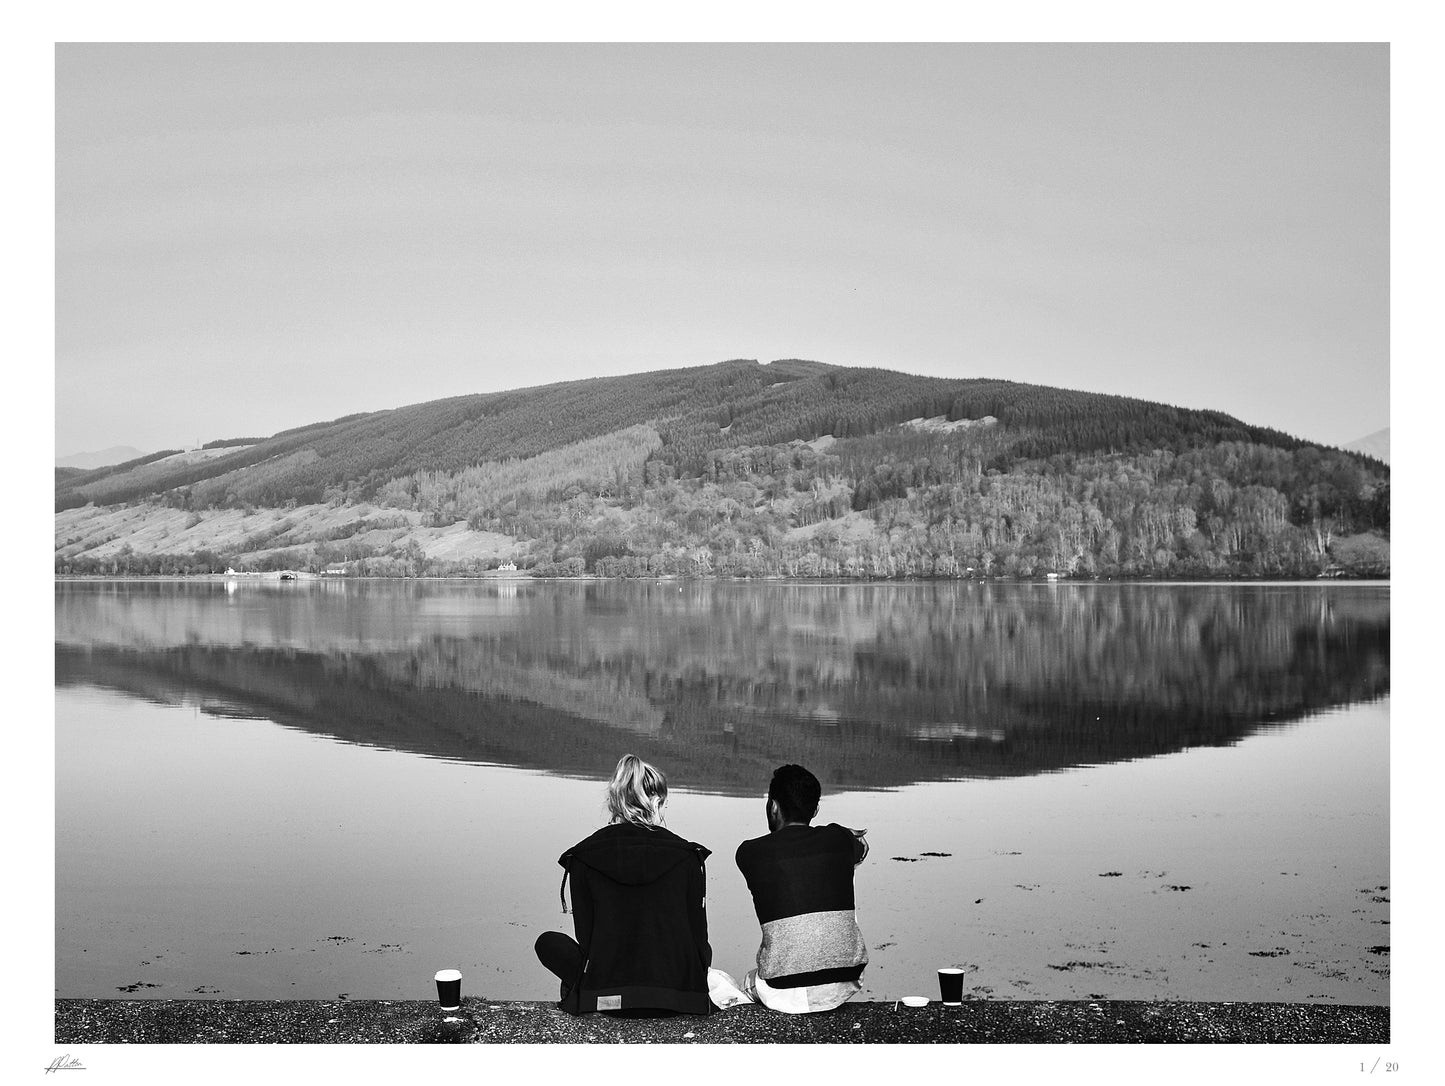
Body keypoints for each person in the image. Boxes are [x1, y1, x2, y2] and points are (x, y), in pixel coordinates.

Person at [534, 754, 714, 1015]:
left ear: (614, 801)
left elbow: (587, 939)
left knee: (548, 942)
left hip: (606, 998)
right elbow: (700, 942)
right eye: (664, 803)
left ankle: (581, 996)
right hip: (679, 998)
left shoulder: (584, 857)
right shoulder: (688, 856)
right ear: (654, 801)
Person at [734, 763, 869, 1014]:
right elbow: (861, 848)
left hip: (781, 988)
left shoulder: (750, 853)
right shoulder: (840, 839)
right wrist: (846, 837)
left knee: (748, 981)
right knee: (842, 866)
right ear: (816, 809)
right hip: (846, 980)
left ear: (773, 807)